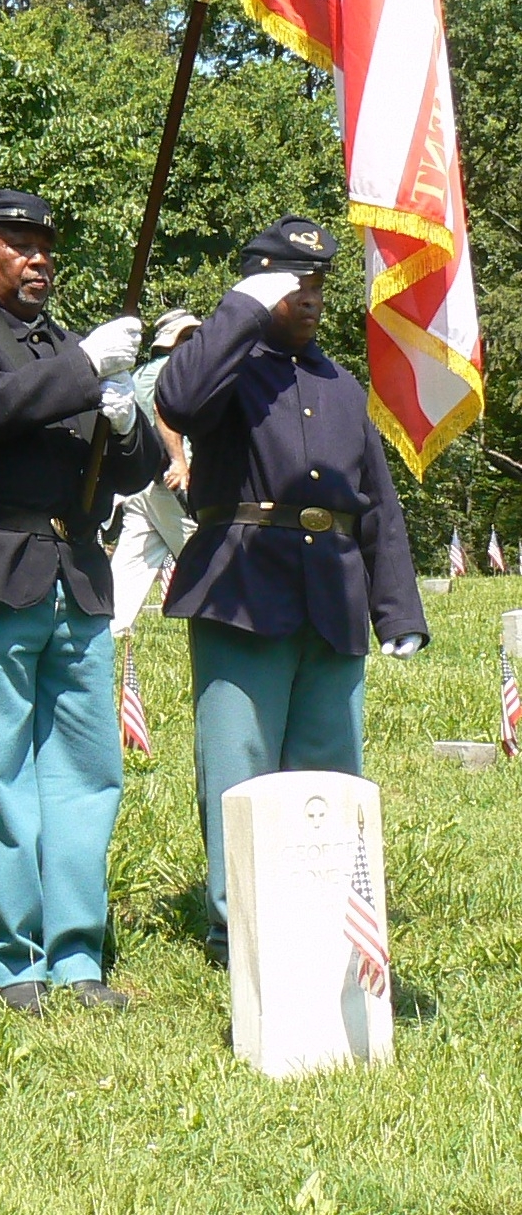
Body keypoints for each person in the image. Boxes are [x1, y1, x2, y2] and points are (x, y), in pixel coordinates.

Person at [155, 216, 428, 967]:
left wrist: (395, 608)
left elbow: (374, 501)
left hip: (330, 594)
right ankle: (234, 928)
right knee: (238, 770)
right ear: (258, 284)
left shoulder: (338, 383)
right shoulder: (223, 367)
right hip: (241, 590)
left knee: (328, 772)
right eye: (292, 282)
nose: (309, 296)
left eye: (317, 282)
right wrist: (239, 309)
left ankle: (320, 917)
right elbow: (176, 401)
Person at [0, 188, 164, 1016]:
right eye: (17, 245)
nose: (36, 260)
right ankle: (10, 955)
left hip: (76, 570)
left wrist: (126, 418)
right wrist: (79, 373)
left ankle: (75, 953)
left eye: (43, 247)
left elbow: (134, 473)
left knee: (86, 772)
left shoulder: (67, 343)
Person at [107, 307, 202, 636]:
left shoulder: (140, 374)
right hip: (171, 483)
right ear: (181, 340)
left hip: (139, 481)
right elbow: (166, 414)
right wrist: (180, 461)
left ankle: (112, 626)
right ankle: (217, 622)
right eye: (191, 336)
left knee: (133, 558)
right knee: (203, 552)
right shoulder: (181, 371)